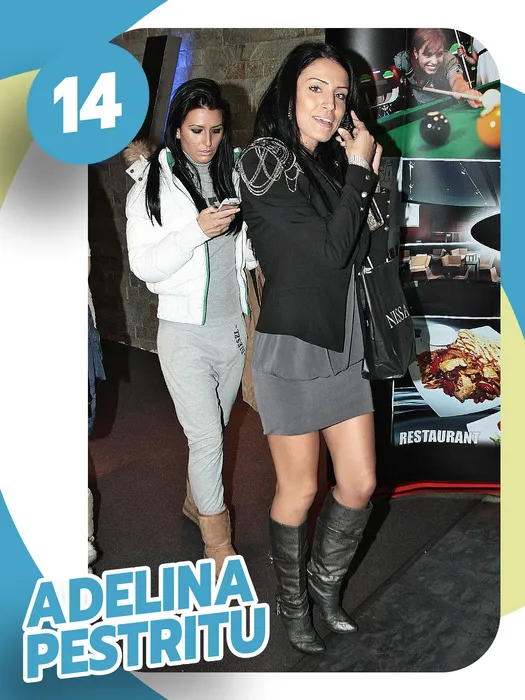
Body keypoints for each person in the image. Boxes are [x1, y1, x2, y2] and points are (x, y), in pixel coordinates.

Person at [236, 42, 386, 654]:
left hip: (343, 342)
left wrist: (359, 172)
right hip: (295, 346)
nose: (331, 104)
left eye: (340, 94)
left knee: (360, 483)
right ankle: (293, 603)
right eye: (317, 89)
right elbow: (327, 256)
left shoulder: (327, 166)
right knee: (299, 490)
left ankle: (325, 587)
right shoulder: (263, 160)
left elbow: (358, 246)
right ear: (289, 93)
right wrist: (359, 171)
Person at [125, 78, 256, 577]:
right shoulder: (151, 188)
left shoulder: (232, 176)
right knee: (206, 441)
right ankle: (217, 545)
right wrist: (195, 231)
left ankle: (194, 501)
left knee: (215, 432)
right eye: (197, 130)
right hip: (183, 334)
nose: (207, 141)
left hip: (232, 329)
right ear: (177, 129)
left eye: (216, 131)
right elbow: (144, 265)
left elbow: (241, 255)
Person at [394, 29, 482, 108]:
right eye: (428, 54)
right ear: (416, 52)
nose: (434, 62)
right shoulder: (403, 60)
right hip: (422, 107)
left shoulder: (448, 59)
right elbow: (397, 74)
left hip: (448, 106)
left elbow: (456, 79)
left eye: (439, 54)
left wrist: (465, 91)